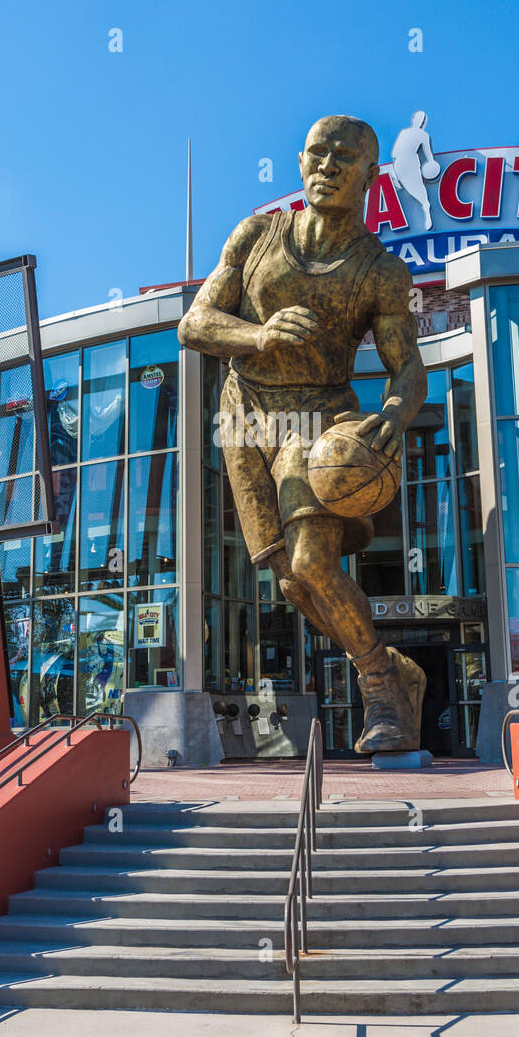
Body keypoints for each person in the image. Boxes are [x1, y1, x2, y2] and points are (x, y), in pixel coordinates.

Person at [179, 115, 427, 753]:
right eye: (319, 153)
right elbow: (196, 324)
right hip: (245, 416)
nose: (329, 165)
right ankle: (398, 671)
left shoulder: (380, 271)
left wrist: (396, 414)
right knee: (293, 581)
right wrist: (256, 335)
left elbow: (407, 367)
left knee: (316, 560)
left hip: (319, 415)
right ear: (298, 162)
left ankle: (379, 689)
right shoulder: (257, 235)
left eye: (347, 157)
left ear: (372, 174)